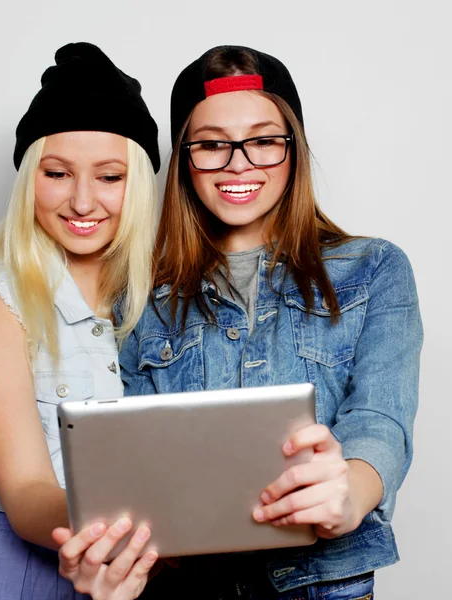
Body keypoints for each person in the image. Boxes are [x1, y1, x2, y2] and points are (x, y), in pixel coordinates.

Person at [57, 45, 423, 600]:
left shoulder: (375, 269)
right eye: (211, 145)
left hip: (324, 584)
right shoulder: (136, 292)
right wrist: (108, 554)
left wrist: (349, 490)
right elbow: (123, 452)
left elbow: (381, 418)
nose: (238, 164)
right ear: (184, 158)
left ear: (293, 149)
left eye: (262, 141)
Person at [0, 42, 162, 600]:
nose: (82, 202)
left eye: (109, 177)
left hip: (128, 568)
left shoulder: (153, 303)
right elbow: (28, 495)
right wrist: (136, 524)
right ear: (28, 179)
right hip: (18, 571)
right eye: (57, 173)